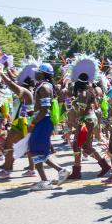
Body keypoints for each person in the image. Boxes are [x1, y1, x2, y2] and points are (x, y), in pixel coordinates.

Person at [29, 63, 70, 191]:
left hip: (43, 122)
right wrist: (33, 113)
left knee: (35, 150)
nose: (35, 73)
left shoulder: (45, 87)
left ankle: (46, 180)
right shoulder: (43, 86)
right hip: (42, 120)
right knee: (36, 150)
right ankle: (59, 171)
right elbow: (41, 108)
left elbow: (44, 109)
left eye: (37, 71)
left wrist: (32, 123)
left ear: (42, 73)